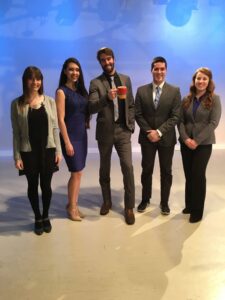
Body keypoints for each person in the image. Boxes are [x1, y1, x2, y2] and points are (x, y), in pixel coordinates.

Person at [11, 66, 62, 235]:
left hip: (47, 150)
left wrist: (58, 151)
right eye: (32, 79)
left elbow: (55, 128)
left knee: (46, 186)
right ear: (25, 81)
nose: (35, 82)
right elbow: (16, 133)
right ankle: (37, 217)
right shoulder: (17, 104)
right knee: (32, 186)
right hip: (28, 152)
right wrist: (17, 156)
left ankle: (46, 216)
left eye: (38, 79)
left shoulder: (49, 101)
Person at [88, 47, 135, 225]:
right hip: (105, 132)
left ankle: (129, 207)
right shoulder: (95, 83)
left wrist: (130, 125)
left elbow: (130, 104)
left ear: (114, 59)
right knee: (104, 168)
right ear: (100, 62)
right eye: (103, 60)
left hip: (123, 131)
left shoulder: (125, 79)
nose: (107, 62)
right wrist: (106, 98)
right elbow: (91, 108)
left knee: (128, 167)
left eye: (109, 59)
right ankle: (107, 200)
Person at [135, 56, 181, 215]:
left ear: (166, 71)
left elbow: (175, 116)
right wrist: (150, 132)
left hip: (166, 138)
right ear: (151, 70)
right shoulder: (141, 90)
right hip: (147, 139)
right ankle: (145, 199)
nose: (159, 72)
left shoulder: (174, 91)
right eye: (156, 69)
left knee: (166, 171)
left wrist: (159, 132)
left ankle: (164, 202)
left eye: (162, 69)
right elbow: (138, 114)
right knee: (146, 170)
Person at [178, 67, 221, 223]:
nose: (201, 81)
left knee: (198, 175)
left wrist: (196, 141)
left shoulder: (215, 99)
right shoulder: (186, 99)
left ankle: (197, 211)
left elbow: (213, 123)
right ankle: (189, 205)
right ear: (194, 80)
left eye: (204, 79)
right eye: (198, 78)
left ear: (209, 81)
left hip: (203, 144)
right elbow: (180, 121)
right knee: (189, 175)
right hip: (186, 143)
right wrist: (185, 139)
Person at [56, 57, 89, 222]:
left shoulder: (81, 90)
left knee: (79, 173)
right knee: (75, 172)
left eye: (77, 70)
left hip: (82, 136)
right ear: (65, 72)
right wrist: (67, 142)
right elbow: (60, 119)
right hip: (71, 137)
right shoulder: (61, 92)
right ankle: (72, 208)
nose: (74, 72)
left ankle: (72, 204)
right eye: (71, 69)